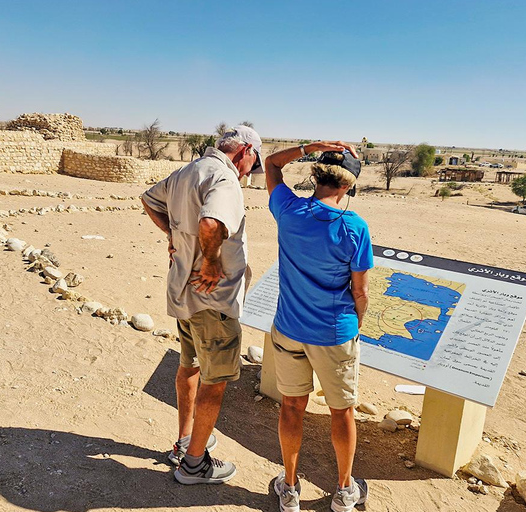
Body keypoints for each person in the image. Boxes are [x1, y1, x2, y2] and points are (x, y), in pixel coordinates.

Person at [141, 125, 263, 485]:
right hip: (212, 300)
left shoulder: (187, 170)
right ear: (244, 152)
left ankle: (184, 441)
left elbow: (150, 199)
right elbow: (211, 223)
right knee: (216, 379)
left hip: (183, 291)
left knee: (189, 365)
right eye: (251, 162)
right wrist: (210, 261)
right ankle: (194, 464)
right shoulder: (224, 178)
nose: (249, 171)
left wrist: (174, 237)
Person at [264, 141, 373, 512]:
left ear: (316, 176)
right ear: (347, 187)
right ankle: (344, 490)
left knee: (292, 407)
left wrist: (310, 146)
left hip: (291, 328)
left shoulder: (289, 210)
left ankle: (289, 486)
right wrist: (355, 325)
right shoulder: (354, 227)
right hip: (334, 332)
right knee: (342, 411)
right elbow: (360, 290)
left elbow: (272, 165)